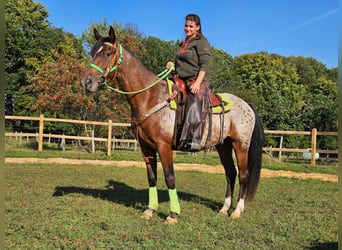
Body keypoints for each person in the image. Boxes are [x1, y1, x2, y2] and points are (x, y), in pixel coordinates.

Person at [166, 14, 212, 152]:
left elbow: (204, 65)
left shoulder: (201, 42)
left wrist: (198, 83)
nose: (187, 28)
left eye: (191, 26)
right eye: (186, 26)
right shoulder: (182, 44)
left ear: (197, 27)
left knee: (193, 96)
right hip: (181, 79)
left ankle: (194, 137)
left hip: (197, 79)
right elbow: (182, 63)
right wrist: (172, 64)